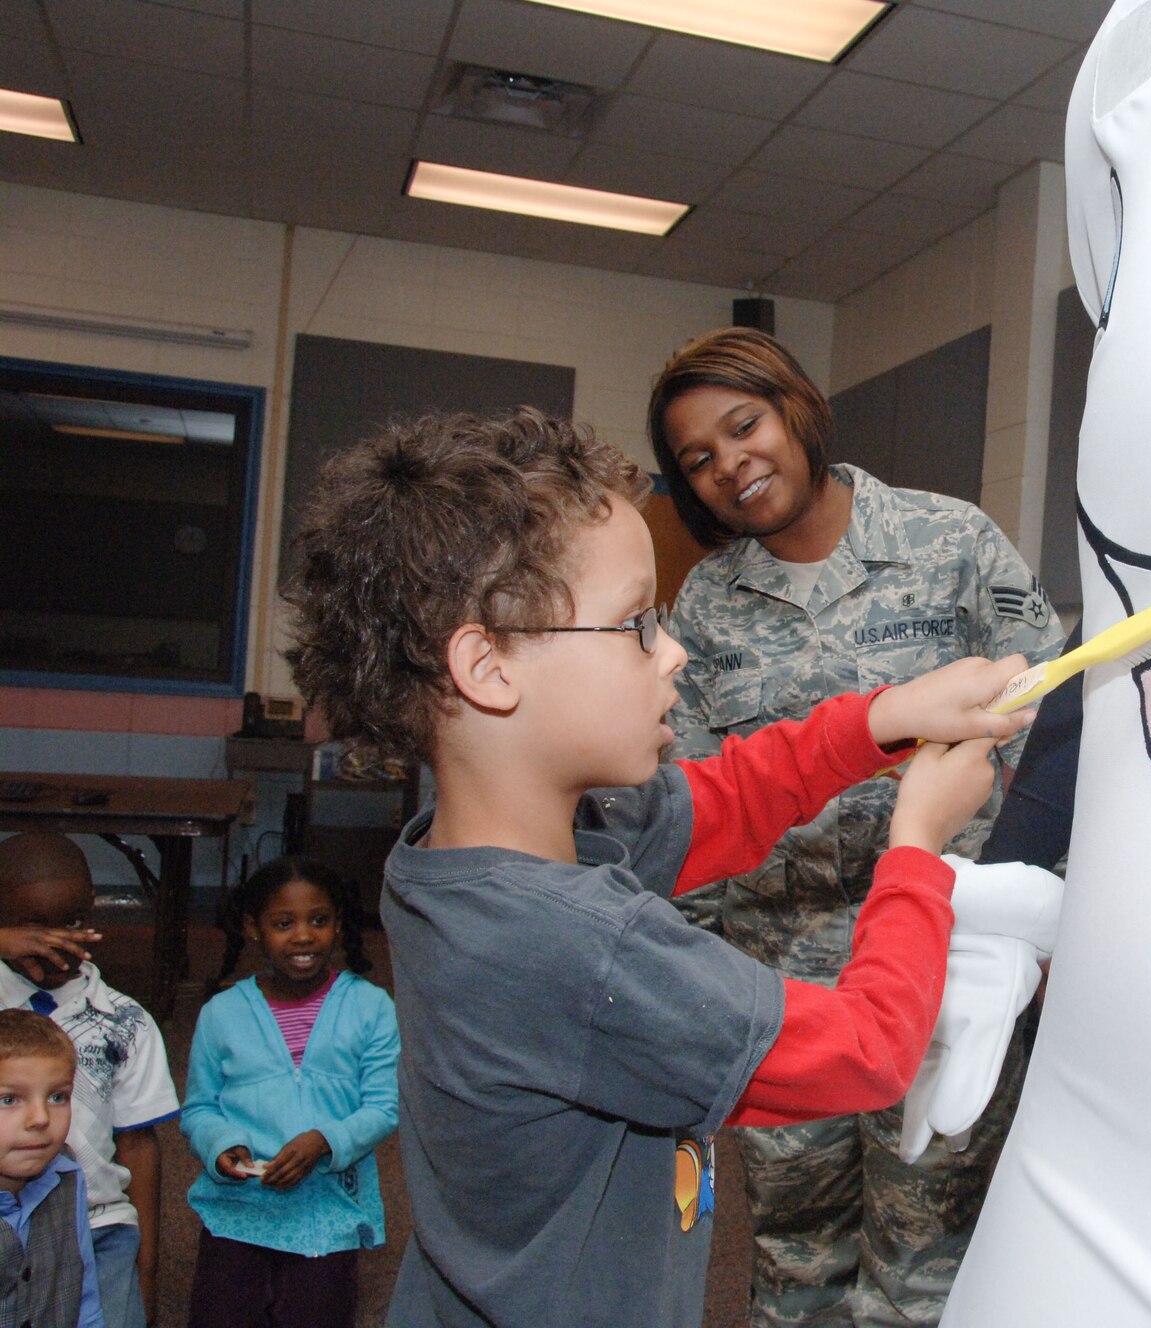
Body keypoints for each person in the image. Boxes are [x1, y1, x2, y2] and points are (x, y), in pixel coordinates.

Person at [277, 405, 1033, 1328]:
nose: (672, 652)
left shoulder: (474, 852)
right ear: (488, 667)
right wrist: (916, 847)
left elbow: (729, 796)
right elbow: (868, 1052)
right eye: (636, 623)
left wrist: (888, 716)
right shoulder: (577, 947)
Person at [649, 327, 1069, 1327]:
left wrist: (1035, 923)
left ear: (796, 407)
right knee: (794, 1262)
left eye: (743, 426)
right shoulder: (706, 604)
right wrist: (690, 985)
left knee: (924, 1265)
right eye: (698, 458)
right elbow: (688, 803)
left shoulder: (950, 541)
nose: (729, 465)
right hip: (779, 986)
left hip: (941, 965)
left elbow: (1052, 723)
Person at [180, 856, 399, 1328]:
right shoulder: (222, 1013)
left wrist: (324, 1141)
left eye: (318, 920)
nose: (303, 936)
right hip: (237, 1212)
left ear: (338, 925)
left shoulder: (370, 1007)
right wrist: (221, 1145)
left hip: (326, 1213)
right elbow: (198, 1109)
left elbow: (383, 1108)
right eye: (283, 924)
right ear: (253, 929)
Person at [0, 831, 177, 1328]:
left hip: (100, 1224)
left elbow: (139, 1146)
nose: (56, 942)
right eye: (33, 926)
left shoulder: (126, 1020)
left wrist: (146, 1272)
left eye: (72, 922)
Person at [0, 1007, 106, 1327]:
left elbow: (83, 1292)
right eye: (9, 1100)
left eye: (57, 1097)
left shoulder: (67, 1172)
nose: (41, 1118)